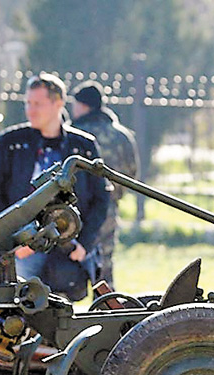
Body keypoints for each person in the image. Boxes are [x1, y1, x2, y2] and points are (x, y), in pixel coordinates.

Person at [0, 73, 108, 301]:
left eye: (38, 103)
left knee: (64, 318)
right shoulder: (10, 143)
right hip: (23, 249)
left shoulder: (83, 146)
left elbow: (101, 197)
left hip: (69, 245)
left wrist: (84, 244)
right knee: (19, 310)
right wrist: (12, 240)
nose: (31, 110)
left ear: (58, 103)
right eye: (28, 103)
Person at [70, 80, 139, 286]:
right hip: (108, 207)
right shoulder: (121, 135)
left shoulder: (72, 134)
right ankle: (105, 311)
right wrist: (115, 195)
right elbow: (131, 173)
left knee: (66, 262)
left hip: (73, 209)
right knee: (105, 264)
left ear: (83, 105)